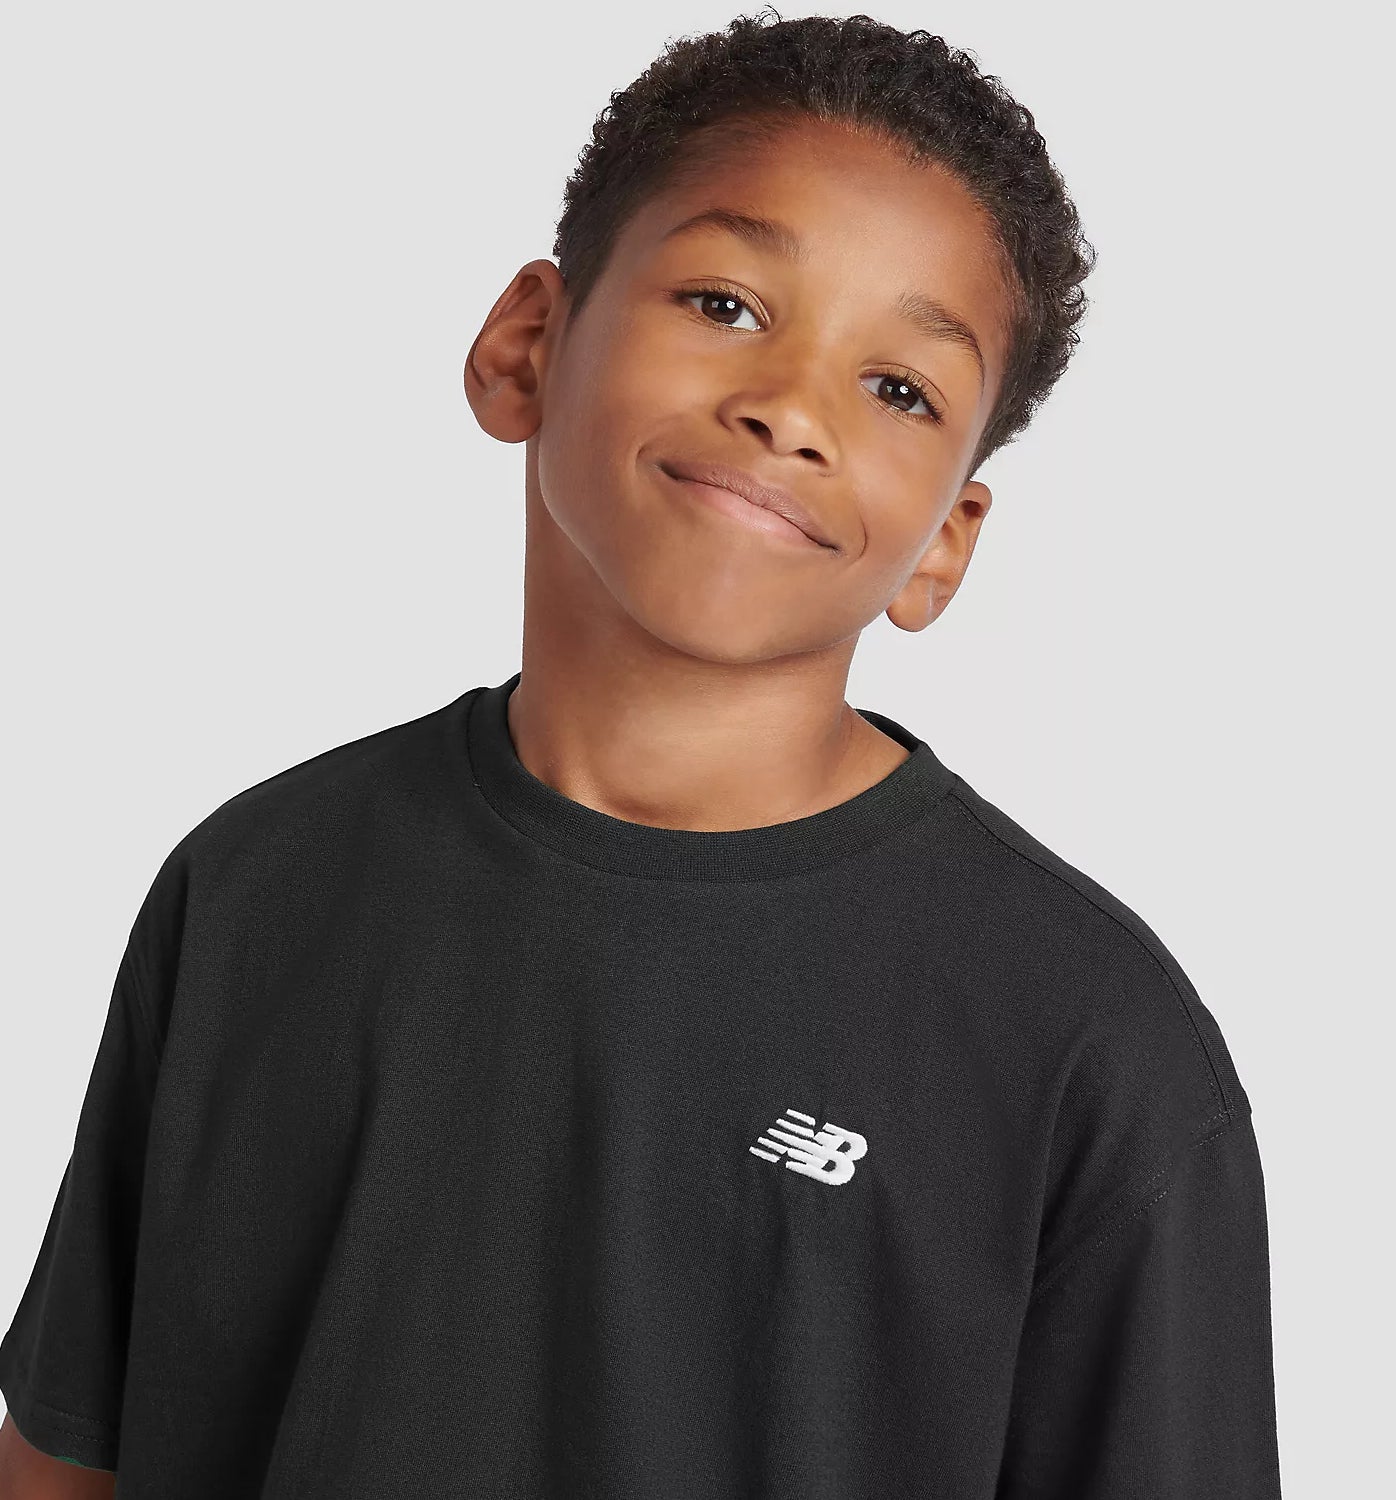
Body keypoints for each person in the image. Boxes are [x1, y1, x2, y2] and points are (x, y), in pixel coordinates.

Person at [0, 10, 1282, 1497]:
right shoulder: (255, 889)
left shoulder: (1086, 1047)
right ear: (526, 345)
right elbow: (69, 1456)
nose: (790, 410)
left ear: (948, 545)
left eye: (900, 389)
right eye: (728, 304)